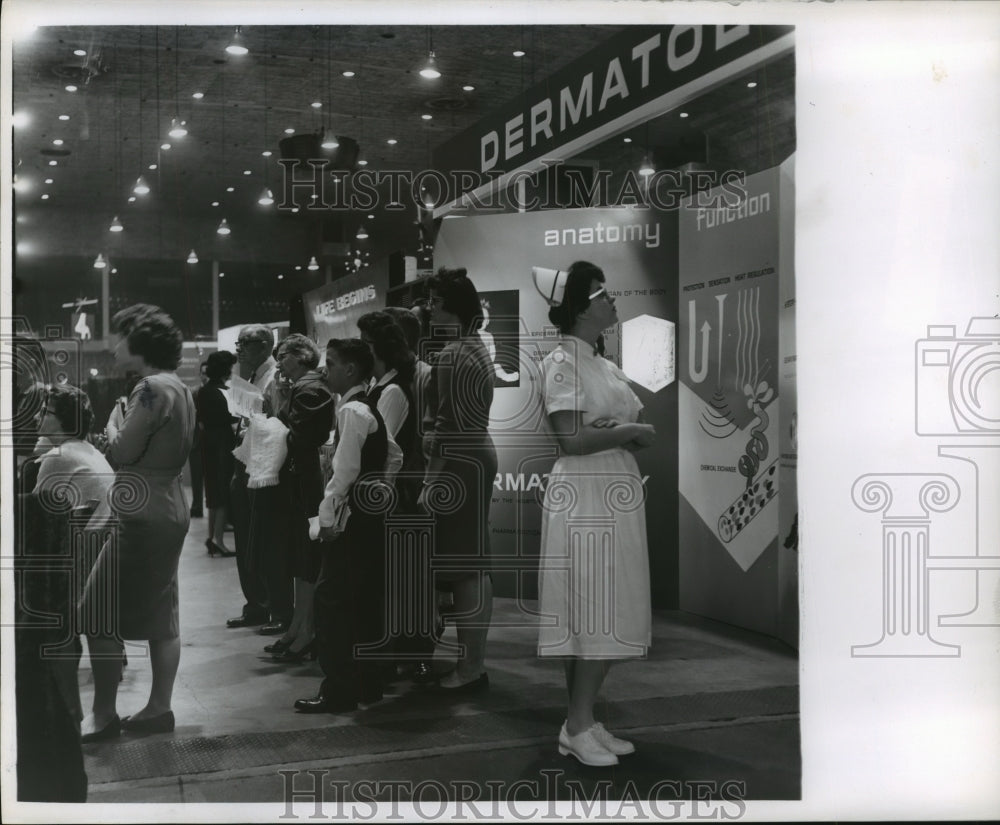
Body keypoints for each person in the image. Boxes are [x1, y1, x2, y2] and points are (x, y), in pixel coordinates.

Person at [533, 261, 656, 767]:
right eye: (604, 295)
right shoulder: (562, 361)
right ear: (581, 307)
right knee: (594, 604)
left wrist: (625, 431)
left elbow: (621, 427)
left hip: (610, 487)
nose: (613, 302)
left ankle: (578, 721)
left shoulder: (601, 362)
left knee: (600, 603)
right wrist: (626, 432)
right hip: (586, 492)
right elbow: (573, 438)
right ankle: (579, 724)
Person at [79, 304, 196, 742]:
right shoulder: (178, 388)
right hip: (169, 506)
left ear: (140, 343)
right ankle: (158, 708)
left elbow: (122, 453)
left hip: (140, 511)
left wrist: (112, 423)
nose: (114, 346)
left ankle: (103, 714)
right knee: (163, 615)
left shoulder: (148, 388)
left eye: (121, 337)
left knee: (96, 611)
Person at [16, 384, 114, 799]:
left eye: (48, 413)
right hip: (96, 556)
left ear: (64, 419)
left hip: (68, 567)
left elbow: (31, 519)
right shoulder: (87, 450)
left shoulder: (56, 457)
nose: (40, 419)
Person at [295, 339, 401, 714]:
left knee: (333, 602)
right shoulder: (367, 407)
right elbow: (394, 454)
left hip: (351, 521)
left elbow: (342, 475)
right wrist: (381, 491)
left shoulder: (353, 410)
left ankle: (339, 689)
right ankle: (367, 685)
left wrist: (326, 519)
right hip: (369, 520)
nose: (326, 370)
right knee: (363, 603)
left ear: (351, 370)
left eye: (333, 363)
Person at [419, 267, 497, 693]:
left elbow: (446, 425)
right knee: (474, 564)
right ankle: (473, 664)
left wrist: (431, 482)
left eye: (434, 302)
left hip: (457, 462)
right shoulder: (476, 348)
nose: (430, 309)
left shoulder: (453, 354)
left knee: (467, 568)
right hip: (474, 456)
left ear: (452, 306)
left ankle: (471, 669)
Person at [268, 334, 334, 661]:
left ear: (301, 355)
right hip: (303, 482)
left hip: (309, 485)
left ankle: (305, 629)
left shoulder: (309, 390)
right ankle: (298, 626)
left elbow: (298, 438)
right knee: (300, 557)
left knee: (307, 558)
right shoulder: (303, 389)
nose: (278, 362)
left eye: (282, 356)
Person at [226, 325, 278, 630]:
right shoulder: (248, 377)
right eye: (239, 343)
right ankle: (255, 603)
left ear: (264, 345)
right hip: (243, 460)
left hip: (259, 464)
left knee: (260, 539)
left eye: (245, 343)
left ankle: (268, 603)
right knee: (245, 538)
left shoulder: (273, 378)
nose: (239, 349)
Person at [195, 351, 238, 556]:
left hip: (207, 445)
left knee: (212, 494)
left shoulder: (203, 392)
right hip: (222, 446)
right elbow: (231, 421)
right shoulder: (224, 392)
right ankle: (218, 540)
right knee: (221, 494)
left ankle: (212, 537)